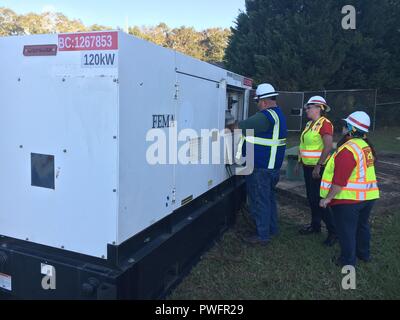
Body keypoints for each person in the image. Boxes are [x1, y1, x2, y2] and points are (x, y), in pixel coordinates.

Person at [320, 111, 380, 267]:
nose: (343, 127)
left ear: (352, 129)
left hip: (349, 200)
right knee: (362, 226)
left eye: (346, 125)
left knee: (346, 231)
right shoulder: (365, 146)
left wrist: (328, 198)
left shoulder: (347, 150)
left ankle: (348, 261)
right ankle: (364, 255)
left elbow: (339, 181)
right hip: (368, 197)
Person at [238, 83, 288, 245]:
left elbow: (240, 127)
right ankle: (271, 229)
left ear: (264, 101)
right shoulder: (278, 114)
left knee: (259, 201)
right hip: (271, 167)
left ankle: (262, 235)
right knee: (268, 199)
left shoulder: (265, 116)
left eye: (257, 102)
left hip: (261, 168)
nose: (257, 105)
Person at [298, 96, 337, 246]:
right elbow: (305, 145)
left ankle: (333, 232)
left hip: (319, 169)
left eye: (309, 107)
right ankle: (315, 226)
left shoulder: (325, 124)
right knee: (311, 198)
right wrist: (300, 161)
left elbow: (328, 146)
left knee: (320, 200)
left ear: (318, 108)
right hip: (308, 168)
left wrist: (318, 166)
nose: (306, 110)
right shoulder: (309, 124)